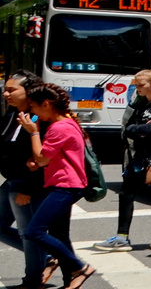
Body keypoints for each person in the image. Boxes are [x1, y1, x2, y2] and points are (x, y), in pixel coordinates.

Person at [95, 70, 151, 252]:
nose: (137, 88)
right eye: (136, 85)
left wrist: (138, 129)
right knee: (126, 193)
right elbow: (129, 127)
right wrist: (138, 128)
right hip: (140, 155)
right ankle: (122, 237)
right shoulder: (142, 104)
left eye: (141, 85)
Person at [19, 83, 94, 289]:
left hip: (66, 185)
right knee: (60, 235)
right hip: (64, 183)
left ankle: (80, 267)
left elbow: (42, 158)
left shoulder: (59, 127)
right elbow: (49, 158)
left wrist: (33, 132)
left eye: (33, 107)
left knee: (34, 231)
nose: (31, 112)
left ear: (46, 104)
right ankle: (70, 279)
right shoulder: (66, 124)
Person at [0, 71, 48, 289]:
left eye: (12, 89)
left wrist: (28, 188)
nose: (6, 93)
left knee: (28, 234)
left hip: (26, 183)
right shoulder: (12, 114)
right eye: (5, 89)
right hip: (11, 180)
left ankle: (32, 280)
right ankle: (46, 257)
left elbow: (38, 158)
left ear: (28, 91)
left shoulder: (37, 117)